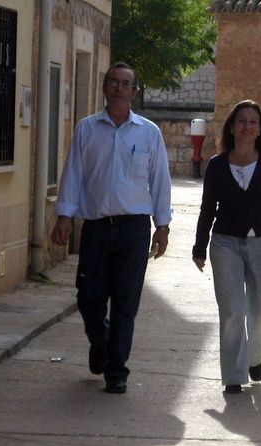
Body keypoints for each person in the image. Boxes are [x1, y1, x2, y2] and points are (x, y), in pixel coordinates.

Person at [51, 62, 172, 394]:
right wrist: (64, 215)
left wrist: (162, 225)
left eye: (126, 83)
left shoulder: (149, 132)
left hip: (134, 230)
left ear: (134, 91)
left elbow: (160, 180)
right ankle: (101, 341)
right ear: (104, 88)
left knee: (125, 301)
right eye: (113, 82)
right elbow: (73, 174)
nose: (119, 88)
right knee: (89, 297)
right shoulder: (87, 129)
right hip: (97, 228)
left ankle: (117, 371)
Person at [192, 99, 261, 394]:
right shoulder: (217, 165)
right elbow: (207, 207)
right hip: (225, 243)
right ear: (232, 127)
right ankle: (233, 376)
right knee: (232, 310)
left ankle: (255, 356)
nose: (247, 126)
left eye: (253, 122)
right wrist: (200, 246)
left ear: (260, 129)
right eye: (242, 121)